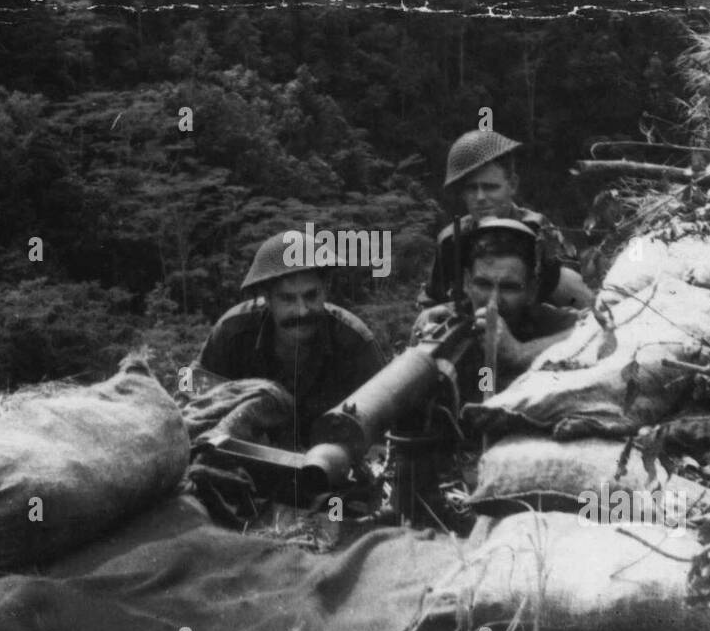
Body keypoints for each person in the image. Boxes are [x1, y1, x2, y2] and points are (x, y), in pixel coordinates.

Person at [194, 230, 384, 448]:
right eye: (287, 299)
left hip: (331, 467)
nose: (302, 311)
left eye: (311, 296)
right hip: (246, 461)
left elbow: (387, 417)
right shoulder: (232, 330)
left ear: (325, 290)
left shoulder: (354, 340)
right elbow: (187, 381)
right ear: (267, 298)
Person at [422, 127, 593, 310]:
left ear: (512, 186)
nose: (480, 197)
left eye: (490, 187)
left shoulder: (536, 230)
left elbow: (573, 292)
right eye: (472, 188)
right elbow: (432, 299)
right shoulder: (451, 239)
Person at [415, 218, 580, 395]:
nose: (493, 301)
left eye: (509, 287)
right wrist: (416, 354)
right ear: (466, 283)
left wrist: (519, 353)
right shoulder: (449, 321)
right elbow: (485, 384)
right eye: (483, 284)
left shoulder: (546, 321)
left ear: (531, 291)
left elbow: (600, 331)